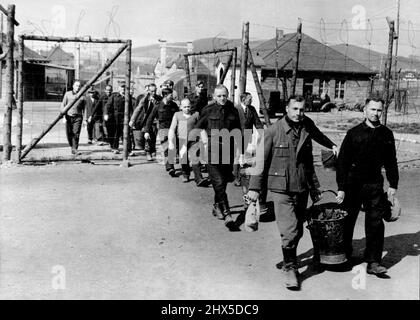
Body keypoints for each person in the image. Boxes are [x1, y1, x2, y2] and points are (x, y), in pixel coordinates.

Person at [247, 95, 338, 290]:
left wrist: (315, 188)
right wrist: (254, 189)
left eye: (302, 109)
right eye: (295, 109)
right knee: (289, 229)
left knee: (297, 229)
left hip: (302, 187)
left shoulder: (306, 129)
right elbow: (260, 161)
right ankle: (290, 267)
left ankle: (289, 256)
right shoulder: (273, 131)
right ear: (287, 109)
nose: (298, 113)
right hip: (281, 188)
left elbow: (307, 164)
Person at [336, 94, 398, 277]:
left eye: (379, 110)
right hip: (353, 183)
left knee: (376, 222)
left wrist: (393, 184)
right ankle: (344, 254)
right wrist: (341, 187)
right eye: (372, 109)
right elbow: (343, 162)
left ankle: (373, 261)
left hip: (374, 184)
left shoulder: (387, 134)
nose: (376, 113)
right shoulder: (353, 133)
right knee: (348, 220)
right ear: (364, 110)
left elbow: (391, 161)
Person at [195, 84, 242, 230]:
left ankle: (217, 206)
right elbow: (199, 127)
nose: (222, 98)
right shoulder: (208, 110)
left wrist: (239, 152)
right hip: (212, 150)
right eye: (219, 96)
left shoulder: (233, 110)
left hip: (227, 150)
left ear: (227, 95)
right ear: (214, 96)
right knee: (219, 182)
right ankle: (228, 215)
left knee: (223, 182)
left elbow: (238, 131)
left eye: (224, 95)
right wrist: (205, 140)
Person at [233, 92, 266, 217]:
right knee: (237, 157)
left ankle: (242, 177)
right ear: (243, 99)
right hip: (236, 135)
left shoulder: (251, 110)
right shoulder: (236, 109)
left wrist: (263, 134)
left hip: (248, 136)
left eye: (251, 99)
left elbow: (257, 123)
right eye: (249, 99)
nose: (251, 101)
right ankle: (236, 177)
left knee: (245, 158)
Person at [168, 98, 208, 185]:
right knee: (183, 158)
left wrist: (205, 141)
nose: (187, 109)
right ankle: (185, 174)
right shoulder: (177, 115)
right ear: (181, 107)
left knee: (195, 158)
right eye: (185, 107)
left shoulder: (195, 115)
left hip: (194, 140)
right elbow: (172, 129)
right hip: (182, 140)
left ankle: (199, 179)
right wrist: (170, 141)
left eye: (188, 107)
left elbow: (201, 128)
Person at [144, 88, 179, 176]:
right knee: (167, 148)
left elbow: (179, 116)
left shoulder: (174, 105)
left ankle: (170, 165)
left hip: (173, 130)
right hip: (163, 130)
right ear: (165, 96)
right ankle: (170, 167)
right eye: (171, 95)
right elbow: (150, 118)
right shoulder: (158, 106)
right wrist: (147, 131)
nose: (172, 97)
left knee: (172, 148)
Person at [130, 83, 161, 160]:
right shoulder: (145, 99)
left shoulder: (159, 99)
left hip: (155, 120)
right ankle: (148, 152)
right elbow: (138, 109)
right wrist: (132, 120)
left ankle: (153, 150)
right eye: (152, 91)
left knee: (154, 135)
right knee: (147, 136)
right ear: (148, 91)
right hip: (146, 120)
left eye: (155, 91)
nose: (153, 93)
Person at [61, 80, 86, 155]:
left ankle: (74, 148)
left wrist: (85, 119)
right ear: (73, 86)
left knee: (76, 133)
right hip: (68, 116)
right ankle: (72, 146)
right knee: (69, 134)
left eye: (79, 86)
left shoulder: (83, 96)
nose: (78, 87)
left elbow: (85, 109)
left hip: (78, 117)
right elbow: (63, 104)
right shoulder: (67, 94)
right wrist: (63, 116)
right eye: (76, 85)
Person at [104, 82, 129, 154]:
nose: (123, 89)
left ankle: (121, 148)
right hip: (114, 118)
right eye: (121, 87)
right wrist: (106, 114)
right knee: (114, 133)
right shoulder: (114, 96)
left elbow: (130, 108)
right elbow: (107, 105)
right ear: (119, 88)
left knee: (122, 133)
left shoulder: (127, 96)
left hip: (124, 117)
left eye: (124, 88)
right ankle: (113, 146)